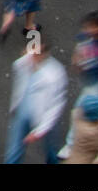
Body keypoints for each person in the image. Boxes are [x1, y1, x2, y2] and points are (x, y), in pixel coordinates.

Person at [5, 33, 68, 164]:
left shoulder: (55, 74)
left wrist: (40, 130)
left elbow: (55, 107)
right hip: (23, 111)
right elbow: (17, 66)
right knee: (14, 151)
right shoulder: (27, 63)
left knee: (50, 150)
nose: (31, 55)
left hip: (43, 116)